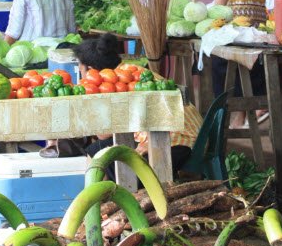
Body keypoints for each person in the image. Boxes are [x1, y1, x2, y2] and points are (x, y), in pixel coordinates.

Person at [78, 34, 200, 178]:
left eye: (80, 69)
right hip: (190, 136)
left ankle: (104, 199)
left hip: (177, 144)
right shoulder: (129, 71)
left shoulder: (117, 83)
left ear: (91, 70)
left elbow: (103, 133)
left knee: (103, 159)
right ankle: (103, 199)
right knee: (95, 150)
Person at [213, 0, 268, 128]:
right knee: (250, 69)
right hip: (257, 27)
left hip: (234, 26)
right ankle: (244, 116)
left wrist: (211, 19)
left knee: (222, 65)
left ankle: (226, 117)